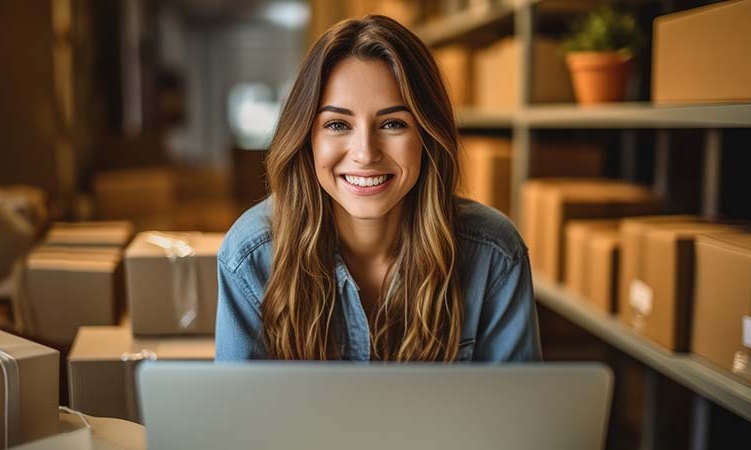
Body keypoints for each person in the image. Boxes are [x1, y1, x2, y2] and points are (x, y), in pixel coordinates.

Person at [215, 15, 540, 362]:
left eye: (393, 124)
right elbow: (241, 416)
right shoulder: (251, 257)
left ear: (428, 137)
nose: (365, 153)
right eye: (338, 124)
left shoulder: (495, 255)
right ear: (306, 138)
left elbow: (514, 415)